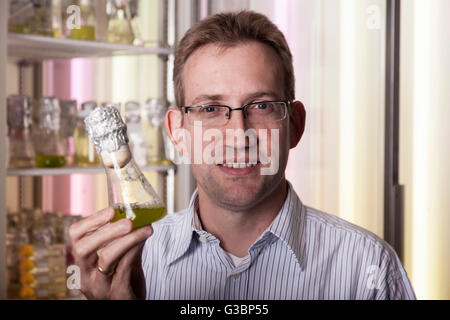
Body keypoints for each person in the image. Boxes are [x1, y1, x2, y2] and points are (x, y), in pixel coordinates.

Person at [69, 10, 416, 300]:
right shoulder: (131, 264)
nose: (238, 135)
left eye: (261, 106)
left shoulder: (368, 267)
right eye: (210, 108)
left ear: (294, 124)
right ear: (178, 132)